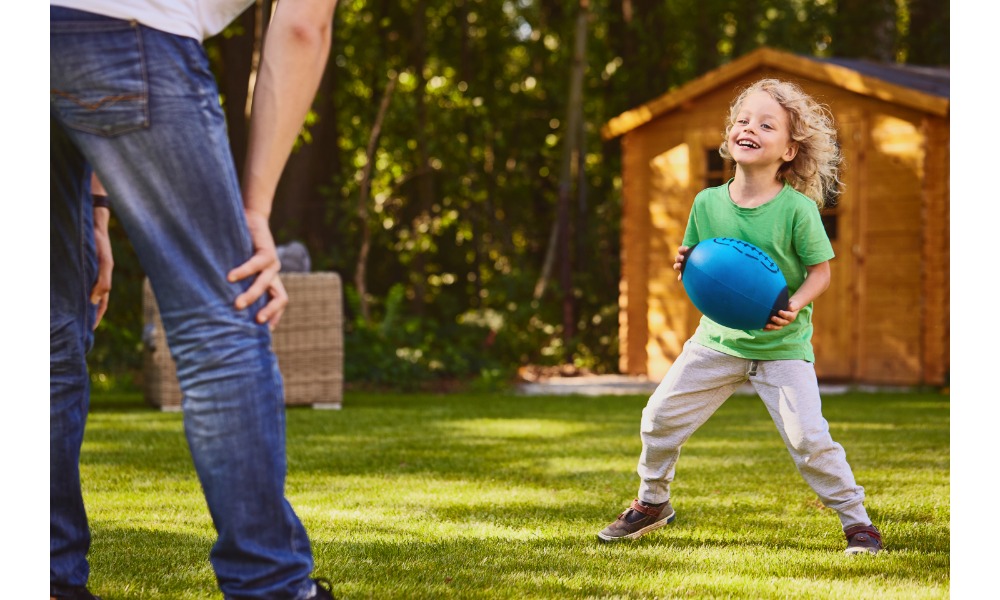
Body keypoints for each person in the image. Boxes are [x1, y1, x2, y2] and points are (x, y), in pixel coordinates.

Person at [50, 0, 340, 598]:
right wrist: (255, 211)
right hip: (133, 41)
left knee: (41, 333)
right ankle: (270, 586)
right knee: (225, 321)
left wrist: (98, 209)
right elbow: (303, 25)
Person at [596, 79, 882, 555]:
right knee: (658, 418)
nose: (750, 128)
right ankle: (652, 503)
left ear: (789, 151)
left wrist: (793, 306)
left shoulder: (797, 209)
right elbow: (699, 260)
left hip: (781, 345)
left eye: (766, 125)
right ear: (730, 136)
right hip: (718, 341)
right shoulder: (706, 203)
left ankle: (857, 523)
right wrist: (686, 266)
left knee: (808, 438)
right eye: (743, 121)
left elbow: (821, 273)